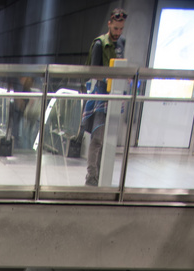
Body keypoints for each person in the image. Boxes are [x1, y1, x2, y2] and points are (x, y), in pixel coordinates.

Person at [80, 8, 127, 186]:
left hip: (115, 95)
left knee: (109, 139)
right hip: (101, 95)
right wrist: (109, 77)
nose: (118, 33)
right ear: (109, 24)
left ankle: (102, 176)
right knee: (97, 138)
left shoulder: (121, 43)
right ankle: (92, 177)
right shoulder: (100, 44)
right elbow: (94, 72)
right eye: (115, 29)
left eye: (121, 29)